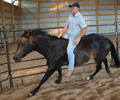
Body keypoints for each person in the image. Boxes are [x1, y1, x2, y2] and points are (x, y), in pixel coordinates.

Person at [58, 2, 87, 76]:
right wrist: (61, 34)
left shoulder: (80, 18)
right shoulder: (70, 15)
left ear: (78, 9)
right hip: (68, 34)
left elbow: (84, 29)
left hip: (75, 36)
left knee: (69, 51)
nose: (71, 9)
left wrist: (78, 38)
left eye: (73, 8)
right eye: (71, 8)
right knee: (58, 42)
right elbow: (66, 26)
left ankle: (70, 69)